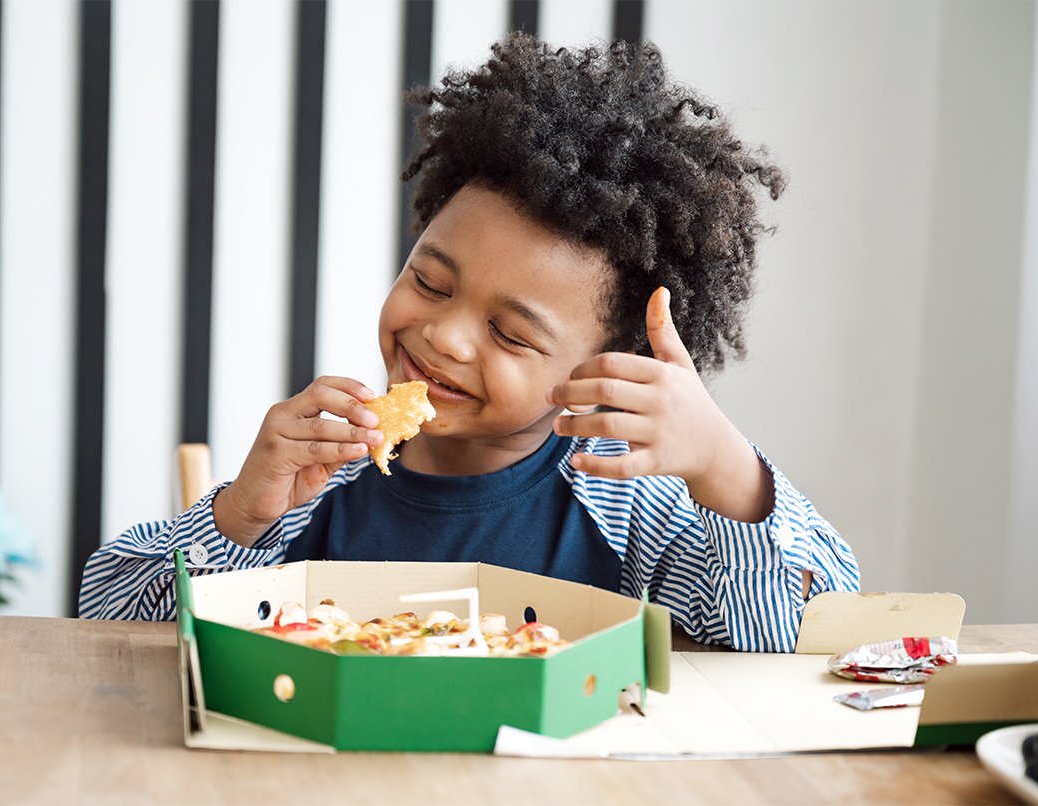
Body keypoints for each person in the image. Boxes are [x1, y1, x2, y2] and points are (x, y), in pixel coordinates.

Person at [79, 33, 859, 651]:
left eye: (511, 333)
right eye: (430, 282)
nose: (443, 335)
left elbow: (807, 637)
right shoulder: (315, 480)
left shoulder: (633, 506)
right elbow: (107, 627)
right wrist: (236, 521)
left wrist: (727, 471)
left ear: (604, 371)